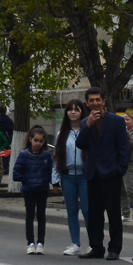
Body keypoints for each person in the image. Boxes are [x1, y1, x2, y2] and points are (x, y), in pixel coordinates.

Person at [75, 87, 130, 260]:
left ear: (104, 101)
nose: (95, 103)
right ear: (87, 103)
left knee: (113, 213)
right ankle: (96, 247)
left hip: (111, 173)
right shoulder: (85, 123)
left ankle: (114, 248)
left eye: (98, 99)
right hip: (93, 173)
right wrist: (89, 124)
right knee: (94, 214)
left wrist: (120, 169)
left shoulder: (116, 121)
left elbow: (123, 148)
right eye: (91, 100)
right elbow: (80, 144)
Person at [51, 99, 90, 255]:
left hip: (84, 176)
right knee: (72, 211)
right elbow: (57, 157)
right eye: (70, 110)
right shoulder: (62, 134)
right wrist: (55, 179)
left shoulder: (87, 130)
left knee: (87, 211)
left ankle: (93, 243)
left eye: (77, 109)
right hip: (67, 177)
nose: (73, 112)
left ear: (82, 112)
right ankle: (75, 244)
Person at [13, 126, 54, 254]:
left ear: (44, 142)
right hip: (29, 190)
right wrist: (27, 179)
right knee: (30, 216)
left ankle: (40, 243)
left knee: (41, 216)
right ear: (30, 139)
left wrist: (55, 184)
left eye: (41, 141)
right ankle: (30, 243)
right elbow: (16, 174)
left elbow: (51, 173)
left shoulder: (46, 155)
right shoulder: (24, 154)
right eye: (35, 140)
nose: (38, 143)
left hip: (42, 190)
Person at [0, 104, 13, 183]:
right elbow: (11, 132)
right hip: (6, 141)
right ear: (6, 111)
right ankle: (5, 169)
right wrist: (10, 141)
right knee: (5, 156)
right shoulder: (9, 121)